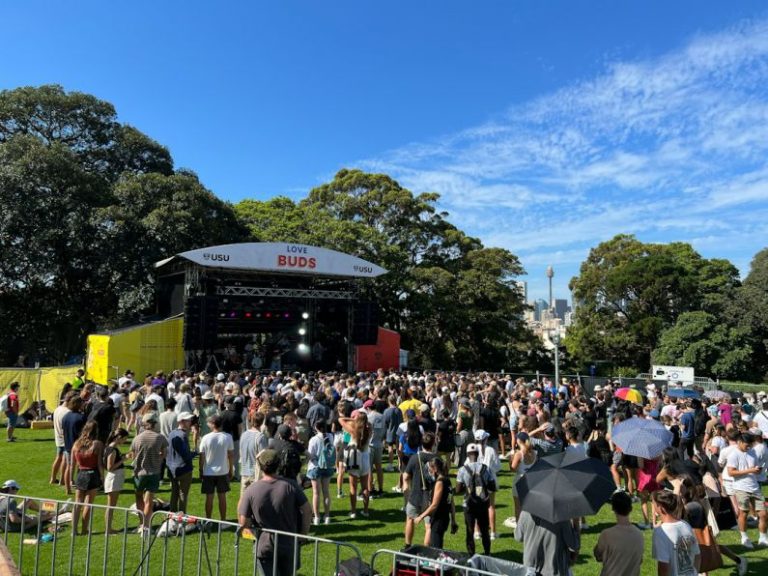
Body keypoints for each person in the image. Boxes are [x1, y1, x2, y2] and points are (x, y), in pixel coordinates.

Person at [237, 449, 312, 576]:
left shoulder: (251, 490)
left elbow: (244, 522)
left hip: (264, 544)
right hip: (289, 544)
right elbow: (307, 510)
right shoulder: (291, 485)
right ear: (279, 465)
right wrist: (303, 534)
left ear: (260, 466)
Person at [726, 432, 768, 548]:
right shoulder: (733, 455)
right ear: (739, 442)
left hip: (754, 486)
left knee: (764, 514)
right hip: (741, 488)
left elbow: (754, 468)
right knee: (743, 513)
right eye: (747, 444)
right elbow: (731, 472)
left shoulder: (752, 452)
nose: (749, 447)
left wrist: (757, 470)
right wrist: (750, 470)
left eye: (750, 444)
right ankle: (745, 538)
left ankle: (763, 538)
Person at [130, 413, 168, 536]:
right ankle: (146, 526)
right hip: (154, 472)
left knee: (139, 498)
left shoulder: (137, 438)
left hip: (139, 473)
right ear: (154, 424)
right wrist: (158, 460)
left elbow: (133, 455)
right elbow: (164, 454)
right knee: (149, 501)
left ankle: (142, 524)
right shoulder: (160, 438)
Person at [456, 443, 496, 555]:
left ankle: (471, 555)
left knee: (470, 531)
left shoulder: (462, 470)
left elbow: (458, 490)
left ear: (467, 455)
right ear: (478, 454)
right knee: (484, 530)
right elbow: (492, 487)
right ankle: (487, 553)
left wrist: (467, 486)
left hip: (468, 504)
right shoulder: (485, 468)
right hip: (483, 504)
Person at [594, 491, 644, 576]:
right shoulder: (639, 534)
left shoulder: (606, 534)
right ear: (630, 508)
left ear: (613, 509)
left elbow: (598, 556)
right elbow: (640, 560)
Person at [651, 490, 700, 576]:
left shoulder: (660, 532)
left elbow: (663, 566)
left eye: (654, 504)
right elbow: (697, 555)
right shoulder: (686, 525)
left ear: (660, 507)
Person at [414, 457, 457, 549]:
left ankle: (438, 562)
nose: (429, 471)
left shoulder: (439, 483)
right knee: (437, 545)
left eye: (430, 469)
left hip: (438, 520)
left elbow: (434, 505)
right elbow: (451, 502)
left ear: (435, 469)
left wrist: (421, 517)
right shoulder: (447, 480)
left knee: (436, 549)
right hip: (444, 519)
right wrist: (453, 520)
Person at [403, 432, 437, 546]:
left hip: (415, 496)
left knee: (409, 519)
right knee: (429, 526)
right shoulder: (437, 459)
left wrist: (406, 488)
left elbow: (406, 477)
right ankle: (426, 551)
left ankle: (407, 545)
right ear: (433, 444)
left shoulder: (414, 458)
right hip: (430, 498)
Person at [71, 421, 104, 536]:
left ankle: (74, 530)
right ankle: (84, 529)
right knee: (88, 504)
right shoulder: (98, 444)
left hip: (81, 474)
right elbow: (100, 464)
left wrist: (71, 478)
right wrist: (102, 478)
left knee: (77, 503)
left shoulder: (76, 444)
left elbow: (72, 464)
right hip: (93, 474)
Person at [199, 414, 234, 520]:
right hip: (222, 471)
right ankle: (223, 520)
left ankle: (208, 519)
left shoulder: (205, 438)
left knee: (209, 497)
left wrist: (201, 470)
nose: (208, 424)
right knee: (222, 496)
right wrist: (231, 469)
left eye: (209, 422)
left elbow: (202, 457)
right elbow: (231, 455)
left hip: (208, 472)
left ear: (213, 424)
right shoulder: (228, 437)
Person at [339, 411, 372, 518]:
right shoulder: (369, 429)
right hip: (365, 458)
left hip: (354, 458)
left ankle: (353, 512)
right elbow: (369, 424)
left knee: (353, 487)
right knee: (365, 487)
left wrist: (354, 419)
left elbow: (341, 419)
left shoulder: (353, 430)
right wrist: (363, 420)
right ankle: (366, 511)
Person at [306, 419, 335, 525]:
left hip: (316, 466)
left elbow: (310, 454)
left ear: (316, 428)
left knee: (316, 493)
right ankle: (327, 516)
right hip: (327, 466)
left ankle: (317, 517)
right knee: (326, 492)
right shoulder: (330, 437)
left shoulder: (313, 440)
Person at [166, 412, 195, 513]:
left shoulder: (172, 433)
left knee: (174, 492)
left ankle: (172, 514)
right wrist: (195, 453)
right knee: (183, 494)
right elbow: (185, 455)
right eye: (188, 420)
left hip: (172, 469)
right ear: (181, 422)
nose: (190, 422)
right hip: (184, 469)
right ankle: (181, 516)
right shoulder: (182, 435)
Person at [103, 427, 129, 534]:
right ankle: (108, 529)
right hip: (113, 478)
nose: (125, 441)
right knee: (111, 505)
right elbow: (110, 467)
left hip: (114, 477)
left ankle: (109, 528)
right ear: (118, 437)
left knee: (112, 505)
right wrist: (123, 459)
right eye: (124, 439)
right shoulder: (112, 450)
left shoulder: (110, 448)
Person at [62, 396, 87, 495]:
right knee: (81, 467)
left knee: (69, 467)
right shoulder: (81, 417)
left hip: (68, 444)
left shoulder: (66, 416)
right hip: (79, 445)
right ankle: (81, 487)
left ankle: (67, 488)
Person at [239, 411, 268, 495]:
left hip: (244, 471)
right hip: (255, 474)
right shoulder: (260, 437)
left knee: (244, 501)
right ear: (263, 423)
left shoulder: (244, 434)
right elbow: (263, 457)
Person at [51, 391, 73, 485]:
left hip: (58, 437)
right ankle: (62, 480)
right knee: (64, 459)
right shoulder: (67, 412)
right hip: (65, 438)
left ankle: (53, 478)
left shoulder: (57, 409)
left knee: (58, 458)